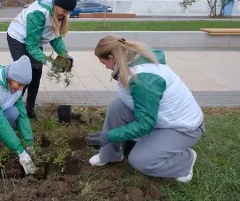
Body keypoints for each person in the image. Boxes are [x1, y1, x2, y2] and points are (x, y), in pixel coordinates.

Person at [85, 36, 204, 183]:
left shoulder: (143, 79)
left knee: (140, 160)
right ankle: (110, 155)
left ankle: (185, 160)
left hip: (182, 126)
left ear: (111, 57)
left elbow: (145, 124)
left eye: (103, 63)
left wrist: (108, 136)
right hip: (160, 117)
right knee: (117, 107)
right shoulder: (131, 60)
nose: (105, 66)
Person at [6, 0, 77, 119]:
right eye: (65, 11)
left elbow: (55, 38)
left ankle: (29, 110)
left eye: (69, 12)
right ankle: (12, 110)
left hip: (33, 40)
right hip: (18, 38)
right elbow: (31, 46)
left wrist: (65, 54)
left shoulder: (59, 13)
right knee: (24, 75)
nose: (66, 14)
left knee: (36, 74)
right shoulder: (38, 13)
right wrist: (48, 61)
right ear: (57, 4)